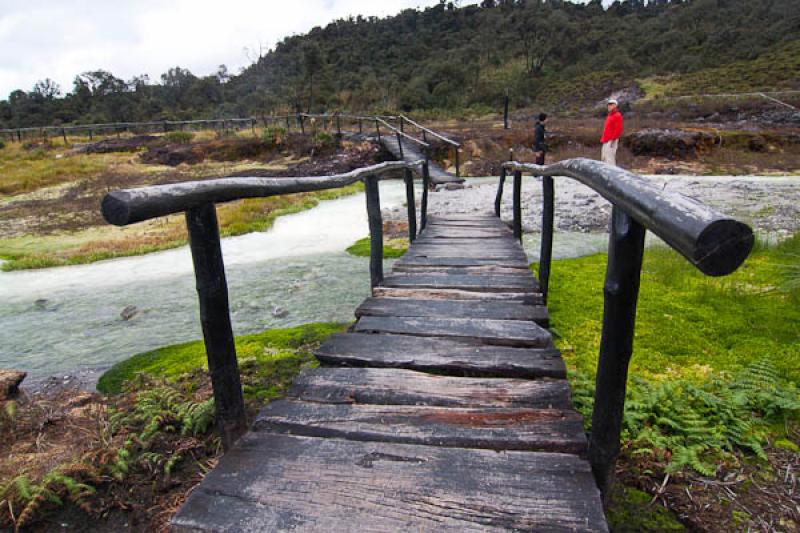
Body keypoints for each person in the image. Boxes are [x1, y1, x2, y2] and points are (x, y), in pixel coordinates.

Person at [600, 99, 624, 166]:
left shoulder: (617, 115)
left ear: (615, 106)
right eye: (608, 105)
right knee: (604, 158)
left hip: (611, 140)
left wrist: (613, 140)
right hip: (606, 140)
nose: (609, 106)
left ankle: (611, 173)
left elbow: (618, 129)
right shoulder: (609, 116)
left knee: (609, 158)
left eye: (611, 104)